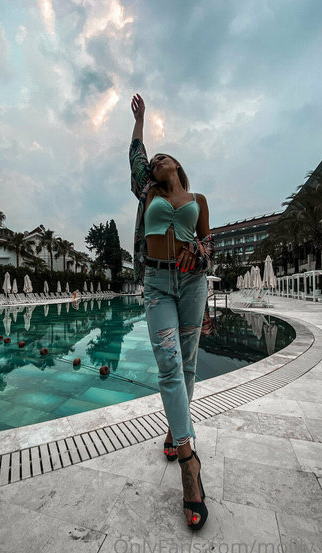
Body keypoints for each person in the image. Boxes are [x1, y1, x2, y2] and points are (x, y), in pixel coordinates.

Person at [129, 93, 214, 530]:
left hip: (193, 284)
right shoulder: (148, 191)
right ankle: (188, 461)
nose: (158, 160)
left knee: (188, 365)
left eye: (165, 157)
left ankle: (173, 430)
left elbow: (210, 244)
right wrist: (140, 121)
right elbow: (136, 158)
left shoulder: (198, 198)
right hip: (157, 285)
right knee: (168, 365)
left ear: (177, 165)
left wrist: (198, 250)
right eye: (155, 159)